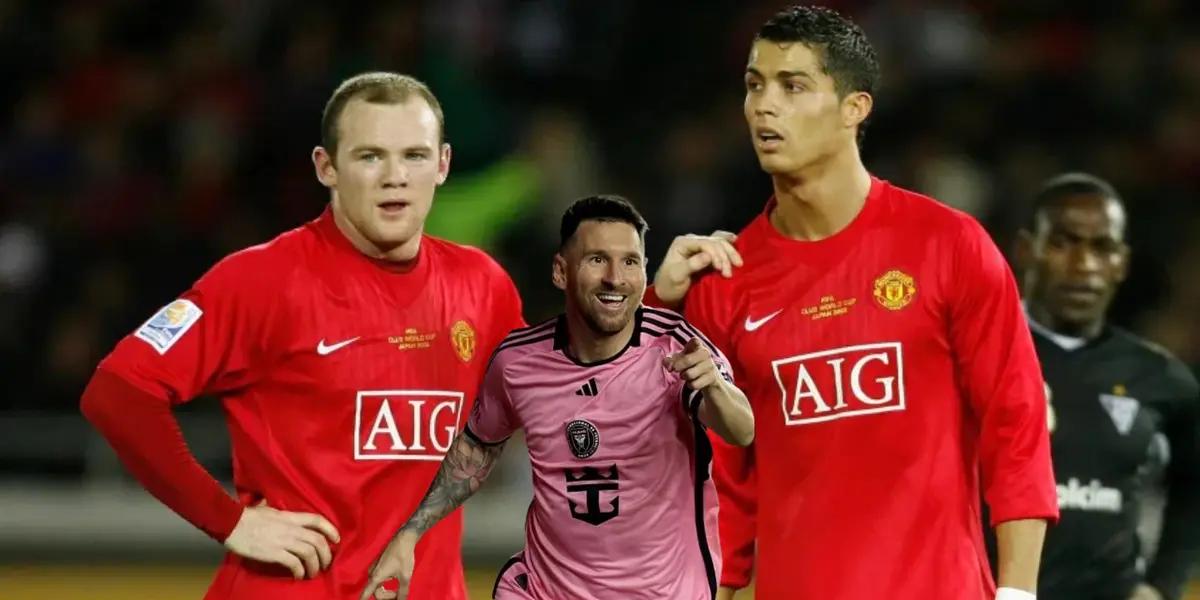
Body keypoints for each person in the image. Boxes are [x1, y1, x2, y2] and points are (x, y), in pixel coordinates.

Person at [647, 6, 1059, 600]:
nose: (765, 105)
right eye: (754, 85)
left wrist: (1018, 593)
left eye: (793, 87)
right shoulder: (725, 283)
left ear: (854, 108)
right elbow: (719, 487)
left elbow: (1014, 422)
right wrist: (660, 304)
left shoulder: (948, 245)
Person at [79, 72, 525, 600]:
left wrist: (648, 313)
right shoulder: (262, 281)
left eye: (414, 155)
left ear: (444, 165)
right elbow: (119, 393)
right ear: (326, 167)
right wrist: (230, 520)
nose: (395, 176)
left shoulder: (482, 286)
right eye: (369, 156)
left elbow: (561, 395)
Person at [360, 195, 755, 600]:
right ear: (560, 271)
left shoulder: (675, 347)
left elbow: (741, 429)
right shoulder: (518, 364)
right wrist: (410, 532)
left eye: (630, 262)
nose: (615, 277)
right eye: (597, 259)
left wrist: (716, 388)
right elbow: (477, 451)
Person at [1007, 173, 1200, 600]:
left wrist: (1162, 585)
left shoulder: (1158, 376)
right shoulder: (978, 354)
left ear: (1122, 263)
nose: (1084, 265)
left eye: (1102, 247)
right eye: (1062, 242)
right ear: (1025, 249)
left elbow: (1193, 484)